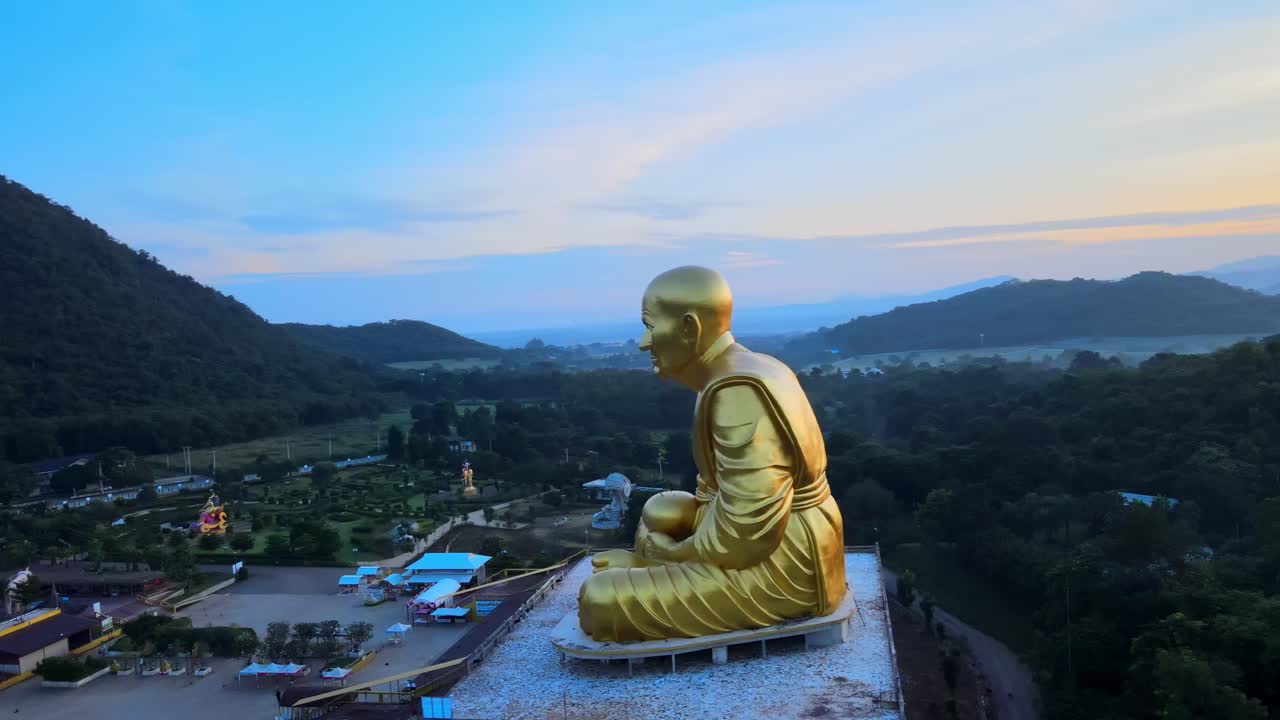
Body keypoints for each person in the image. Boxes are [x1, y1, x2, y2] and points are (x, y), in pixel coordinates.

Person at [577, 266, 846, 642]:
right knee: (659, 508)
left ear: (689, 327)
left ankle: (654, 572)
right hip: (752, 535)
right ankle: (658, 568)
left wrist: (666, 555)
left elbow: (745, 538)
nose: (643, 342)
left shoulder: (738, 391)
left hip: (785, 563)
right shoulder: (739, 368)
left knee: (600, 601)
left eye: (651, 327)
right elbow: (717, 498)